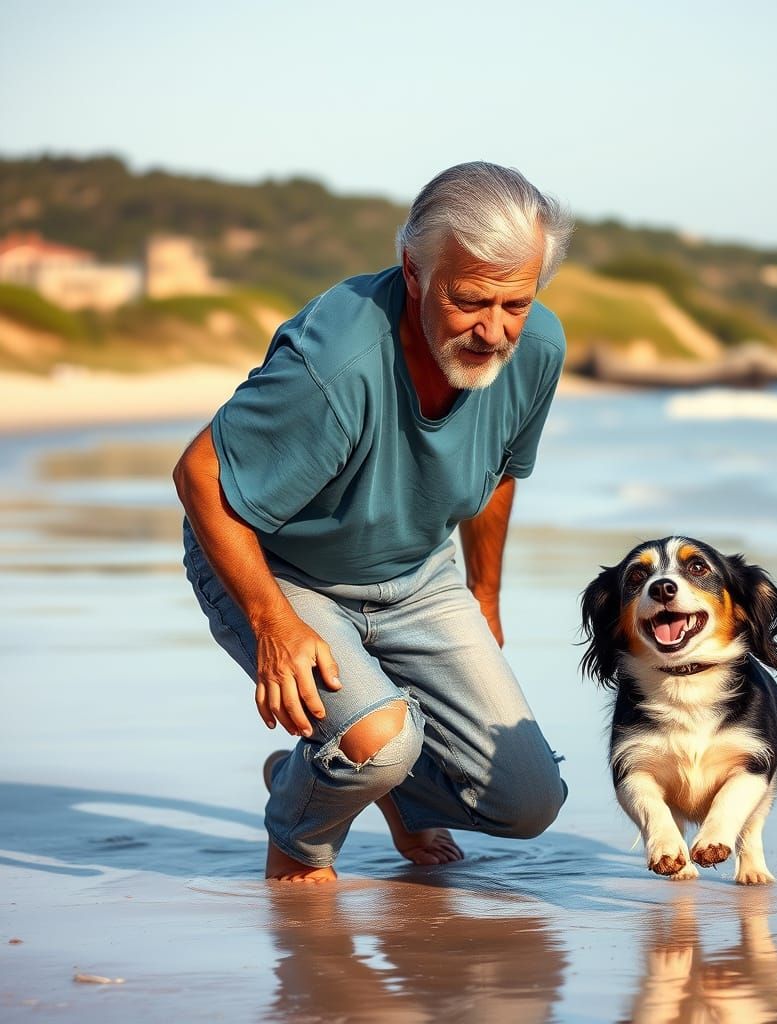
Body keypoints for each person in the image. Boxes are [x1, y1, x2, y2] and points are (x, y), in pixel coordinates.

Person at [173, 162, 573, 882]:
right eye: (471, 301)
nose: (494, 330)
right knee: (380, 741)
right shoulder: (339, 361)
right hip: (279, 570)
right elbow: (199, 475)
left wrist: (485, 599)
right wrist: (271, 623)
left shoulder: (536, 347)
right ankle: (300, 835)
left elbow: (500, 473)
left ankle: (381, 787)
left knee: (528, 801)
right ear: (414, 271)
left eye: (516, 302)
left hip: (416, 573)